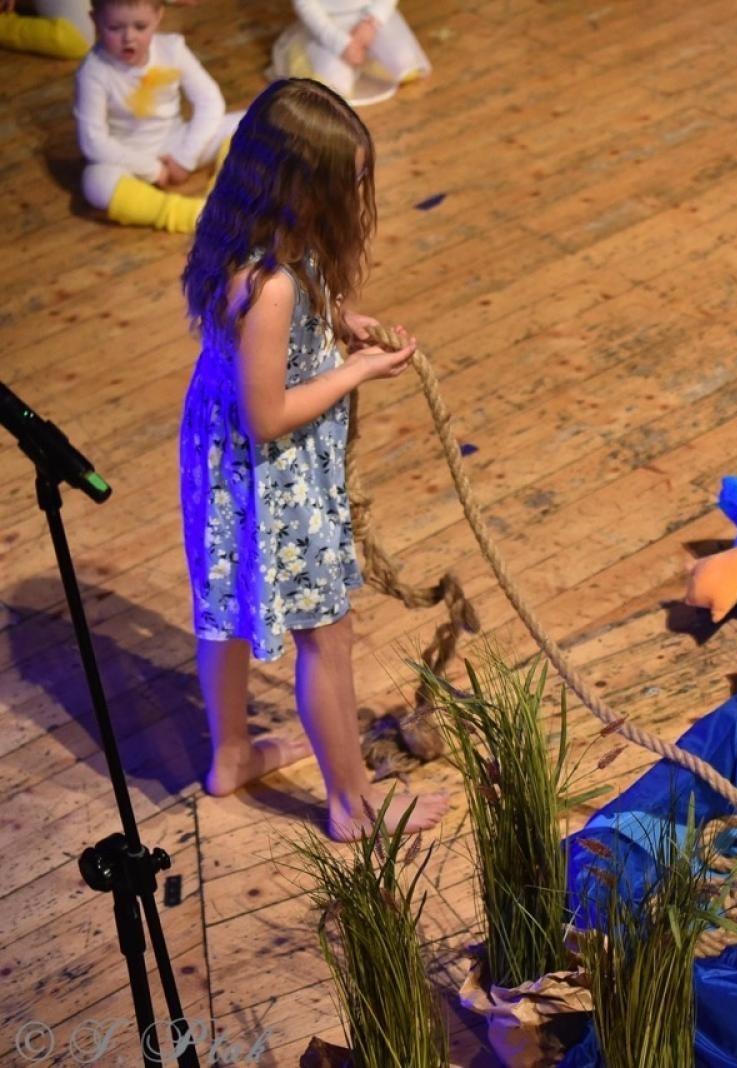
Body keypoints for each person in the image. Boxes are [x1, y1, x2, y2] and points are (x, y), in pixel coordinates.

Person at [178, 78, 448, 841]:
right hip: (272, 472)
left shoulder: (247, 233)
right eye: (347, 180)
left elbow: (268, 341)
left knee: (225, 606)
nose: (358, 190)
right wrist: (355, 370)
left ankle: (230, 752)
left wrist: (337, 321)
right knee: (327, 636)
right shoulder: (266, 289)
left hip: (219, 453)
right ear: (301, 186)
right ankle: (353, 805)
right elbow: (269, 416)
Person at [73, 0, 236, 233]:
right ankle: (191, 214)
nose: (128, 38)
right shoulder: (93, 72)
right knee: (96, 183)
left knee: (250, 122)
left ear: (159, 16)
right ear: (95, 19)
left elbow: (210, 102)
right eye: (114, 28)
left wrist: (184, 157)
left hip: (176, 141)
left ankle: (224, 197)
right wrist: (151, 169)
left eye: (140, 27)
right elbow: (93, 141)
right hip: (128, 156)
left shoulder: (172, 49)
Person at [269, 0, 430, 107]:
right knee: (331, 93)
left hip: (370, 17)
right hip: (328, 22)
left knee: (406, 67)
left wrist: (372, 21)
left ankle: (366, 61)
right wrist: (341, 45)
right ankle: (301, 52)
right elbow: (305, 5)